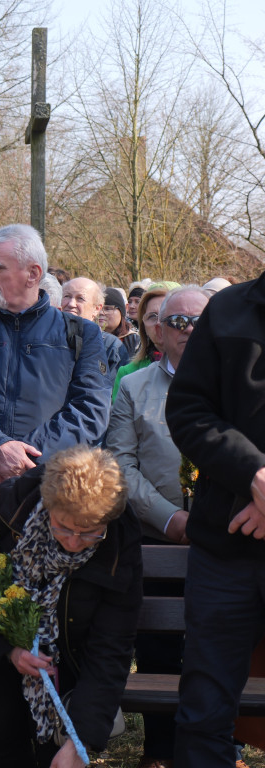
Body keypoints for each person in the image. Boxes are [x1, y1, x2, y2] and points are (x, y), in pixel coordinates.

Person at [0, 445, 142, 768]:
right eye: (63, 527)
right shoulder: (12, 503)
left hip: (71, 654)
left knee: (56, 756)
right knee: (6, 746)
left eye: (88, 534)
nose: (72, 542)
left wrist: (79, 741)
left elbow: (112, 645)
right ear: (48, 505)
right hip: (0, 645)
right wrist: (10, 650)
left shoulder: (119, 538)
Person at [106, 285, 209, 768]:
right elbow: (121, 467)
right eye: (177, 323)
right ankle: (161, 750)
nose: (188, 332)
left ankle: (214, 747)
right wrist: (170, 520)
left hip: (226, 538)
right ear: (158, 331)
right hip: (154, 534)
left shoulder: (238, 383)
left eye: (198, 322)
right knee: (158, 649)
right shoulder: (134, 387)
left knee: (216, 652)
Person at [165, 272, 265, 768]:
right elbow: (187, 411)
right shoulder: (227, 310)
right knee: (204, 709)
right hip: (226, 551)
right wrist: (255, 475)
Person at [0, 225, 110, 509]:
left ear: (32, 274)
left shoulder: (81, 335)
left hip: (52, 498)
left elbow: (89, 412)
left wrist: (21, 463)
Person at [111, 283, 175, 401]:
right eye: (152, 316)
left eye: (165, 315)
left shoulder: (201, 369)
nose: (158, 323)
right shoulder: (128, 374)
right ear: (143, 326)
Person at [61, 277, 127, 383]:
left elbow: (111, 393)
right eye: (67, 296)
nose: (71, 304)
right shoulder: (47, 338)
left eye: (80, 299)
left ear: (96, 309)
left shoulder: (111, 347)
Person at [99, 287, 140, 360]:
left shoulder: (136, 342)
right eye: (99, 308)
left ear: (123, 311)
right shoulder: (92, 337)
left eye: (108, 309)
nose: (101, 313)